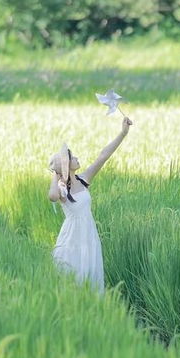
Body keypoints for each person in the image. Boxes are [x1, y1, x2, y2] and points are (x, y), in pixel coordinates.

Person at [48, 116, 133, 294]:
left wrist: (123, 133)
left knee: (89, 276)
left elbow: (103, 156)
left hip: (88, 235)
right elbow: (52, 196)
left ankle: (92, 312)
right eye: (72, 157)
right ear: (66, 165)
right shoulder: (63, 189)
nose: (77, 158)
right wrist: (55, 175)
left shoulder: (83, 179)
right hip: (72, 239)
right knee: (73, 278)